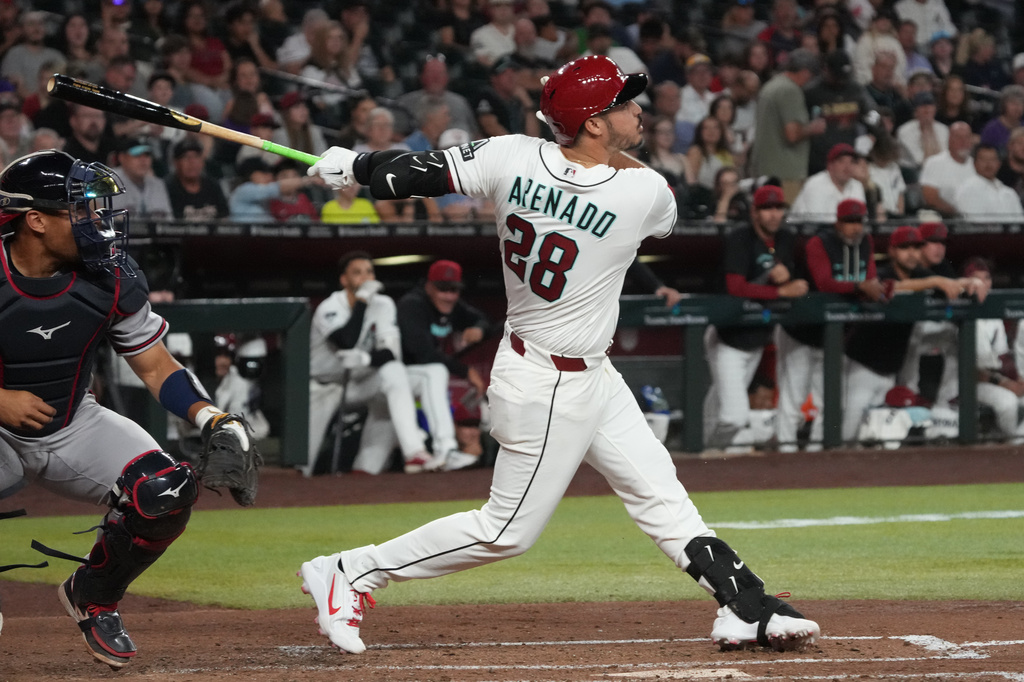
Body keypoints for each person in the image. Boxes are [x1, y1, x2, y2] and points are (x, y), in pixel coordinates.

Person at [300, 54, 820, 654]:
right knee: (505, 531)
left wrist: (354, 166)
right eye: (622, 104)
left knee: (661, 496)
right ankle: (351, 571)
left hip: (582, 370)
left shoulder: (510, 154)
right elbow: (647, 199)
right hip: (546, 383)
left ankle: (745, 606)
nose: (637, 111)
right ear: (593, 123)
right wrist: (366, 169)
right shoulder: (643, 191)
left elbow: (416, 172)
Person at [0, 149, 255, 667]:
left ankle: (93, 594)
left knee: (165, 491)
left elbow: (156, 366)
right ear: (35, 221)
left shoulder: (110, 275)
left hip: (71, 422)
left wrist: (211, 417)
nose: (97, 222)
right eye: (80, 210)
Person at [305, 251, 437, 476]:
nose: (365, 278)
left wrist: (366, 359)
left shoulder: (384, 304)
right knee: (302, 463)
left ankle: (413, 451)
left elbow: (391, 354)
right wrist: (362, 301)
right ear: (344, 280)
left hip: (359, 380)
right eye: (357, 273)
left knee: (394, 372)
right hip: (323, 386)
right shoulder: (329, 306)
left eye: (369, 272)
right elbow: (347, 340)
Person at [776, 199, 887, 452]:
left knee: (830, 401)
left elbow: (871, 278)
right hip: (801, 331)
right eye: (849, 222)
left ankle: (817, 455)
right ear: (837, 222)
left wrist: (873, 287)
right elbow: (824, 282)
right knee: (794, 398)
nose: (855, 228)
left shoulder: (866, 242)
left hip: (833, 335)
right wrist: (860, 286)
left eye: (859, 222)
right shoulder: (819, 242)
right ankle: (785, 454)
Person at [703, 185, 808, 451]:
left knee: (719, 402)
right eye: (766, 208)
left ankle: (702, 449)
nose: (773, 214)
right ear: (754, 212)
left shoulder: (786, 239)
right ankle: (706, 453)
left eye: (778, 208)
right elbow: (735, 287)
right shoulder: (740, 238)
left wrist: (791, 282)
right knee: (735, 416)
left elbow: (790, 277)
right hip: (728, 336)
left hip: (757, 337)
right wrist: (779, 291)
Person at [841, 225, 969, 441]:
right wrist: (936, 281)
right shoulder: (881, 272)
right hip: (860, 367)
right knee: (847, 431)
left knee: (875, 434)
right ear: (892, 251)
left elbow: (950, 285)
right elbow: (891, 288)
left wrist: (972, 281)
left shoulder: (920, 274)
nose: (911, 253)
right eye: (905, 247)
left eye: (916, 248)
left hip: (889, 372)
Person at [396, 259, 490, 469]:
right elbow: (423, 353)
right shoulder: (412, 304)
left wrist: (479, 329)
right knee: (435, 371)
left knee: (371, 457)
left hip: (405, 389)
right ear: (429, 286)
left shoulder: (454, 307)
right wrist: (466, 371)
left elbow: (482, 319)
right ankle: (446, 449)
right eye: (442, 289)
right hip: (389, 376)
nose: (449, 296)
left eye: (454, 290)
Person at [749, 48, 826, 204]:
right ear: (805, 72)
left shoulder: (771, 85)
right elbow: (792, 134)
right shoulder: (790, 90)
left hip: (765, 169)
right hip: (786, 174)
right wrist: (814, 127)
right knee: (786, 216)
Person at [788, 143, 867, 223]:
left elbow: (862, 220)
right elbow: (818, 223)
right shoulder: (815, 184)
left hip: (838, 230)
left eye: (852, 162)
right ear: (830, 165)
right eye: (841, 161)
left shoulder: (857, 186)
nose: (847, 167)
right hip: (800, 229)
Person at [919, 121, 977, 218]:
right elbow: (930, 197)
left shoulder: (976, 165)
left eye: (967, 137)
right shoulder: (934, 163)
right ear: (949, 139)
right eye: (958, 137)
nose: (963, 142)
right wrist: (957, 214)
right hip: (948, 219)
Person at [955, 144, 1024, 222]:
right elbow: (973, 221)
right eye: (983, 160)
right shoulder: (968, 189)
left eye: (992, 160)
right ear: (974, 163)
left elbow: (1020, 222)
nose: (988, 164)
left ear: (999, 163)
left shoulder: (1009, 192)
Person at [110, 136, 173, 219]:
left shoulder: (158, 184)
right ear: (122, 158)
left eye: (147, 155)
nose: (143, 160)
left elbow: (169, 221)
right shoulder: (108, 182)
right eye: (137, 155)